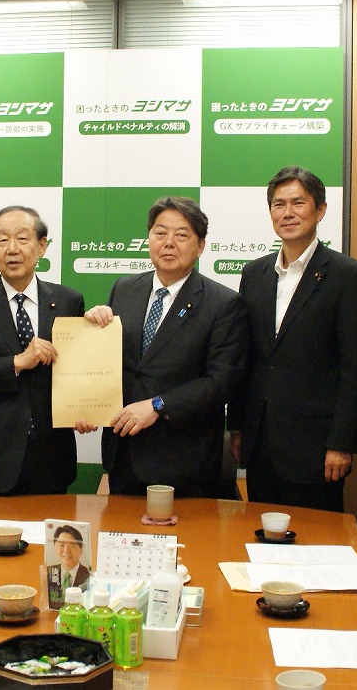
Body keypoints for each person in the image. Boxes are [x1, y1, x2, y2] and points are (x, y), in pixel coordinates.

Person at [228, 166, 357, 512]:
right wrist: (237, 427)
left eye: (298, 203)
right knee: (260, 534)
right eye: (278, 204)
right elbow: (245, 358)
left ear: (320, 210)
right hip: (260, 443)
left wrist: (341, 443)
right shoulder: (254, 273)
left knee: (313, 540)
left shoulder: (349, 276)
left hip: (317, 448)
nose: (288, 213)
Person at [78, 196, 247, 498]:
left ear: (201, 245)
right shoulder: (124, 288)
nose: (169, 243)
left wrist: (158, 405)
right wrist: (94, 328)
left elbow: (221, 381)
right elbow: (115, 364)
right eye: (160, 233)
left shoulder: (223, 303)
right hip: (124, 454)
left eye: (181, 235)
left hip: (185, 462)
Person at [0, 206, 84, 508]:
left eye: (22, 238)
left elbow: (77, 370)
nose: (12, 249)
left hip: (51, 458)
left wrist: (86, 407)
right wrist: (16, 362)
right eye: (2, 240)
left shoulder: (68, 301)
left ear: (42, 246)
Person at [46, 524, 91, 607]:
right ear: (55, 547)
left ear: (81, 549)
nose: (66, 550)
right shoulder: (48, 572)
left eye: (72, 545)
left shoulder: (89, 576)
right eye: (61, 545)